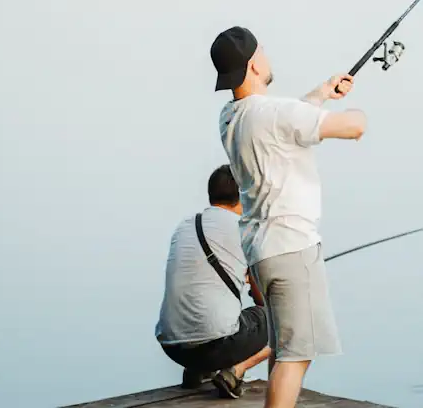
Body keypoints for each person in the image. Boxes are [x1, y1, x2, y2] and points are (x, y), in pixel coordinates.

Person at [209, 26, 367, 408]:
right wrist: (357, 112)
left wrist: (320, 95)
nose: (267, 54)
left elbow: (281, 127)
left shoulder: (231, 118)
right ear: (252, 64)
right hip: (293, 248)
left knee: (282, 350)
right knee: (297, 354)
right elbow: (353, 126)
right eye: (261, 50)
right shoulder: (274, 113)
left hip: (262, 251)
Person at [155, 165, 272, 399]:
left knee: (207, 310)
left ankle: (197, 371)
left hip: (172, 347)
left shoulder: (185, 226)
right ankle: (234, 373)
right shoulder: (247, 231)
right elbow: (263, 300)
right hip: (214, 347)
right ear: (244, 194)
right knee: (280, 317)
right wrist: (253, 279)